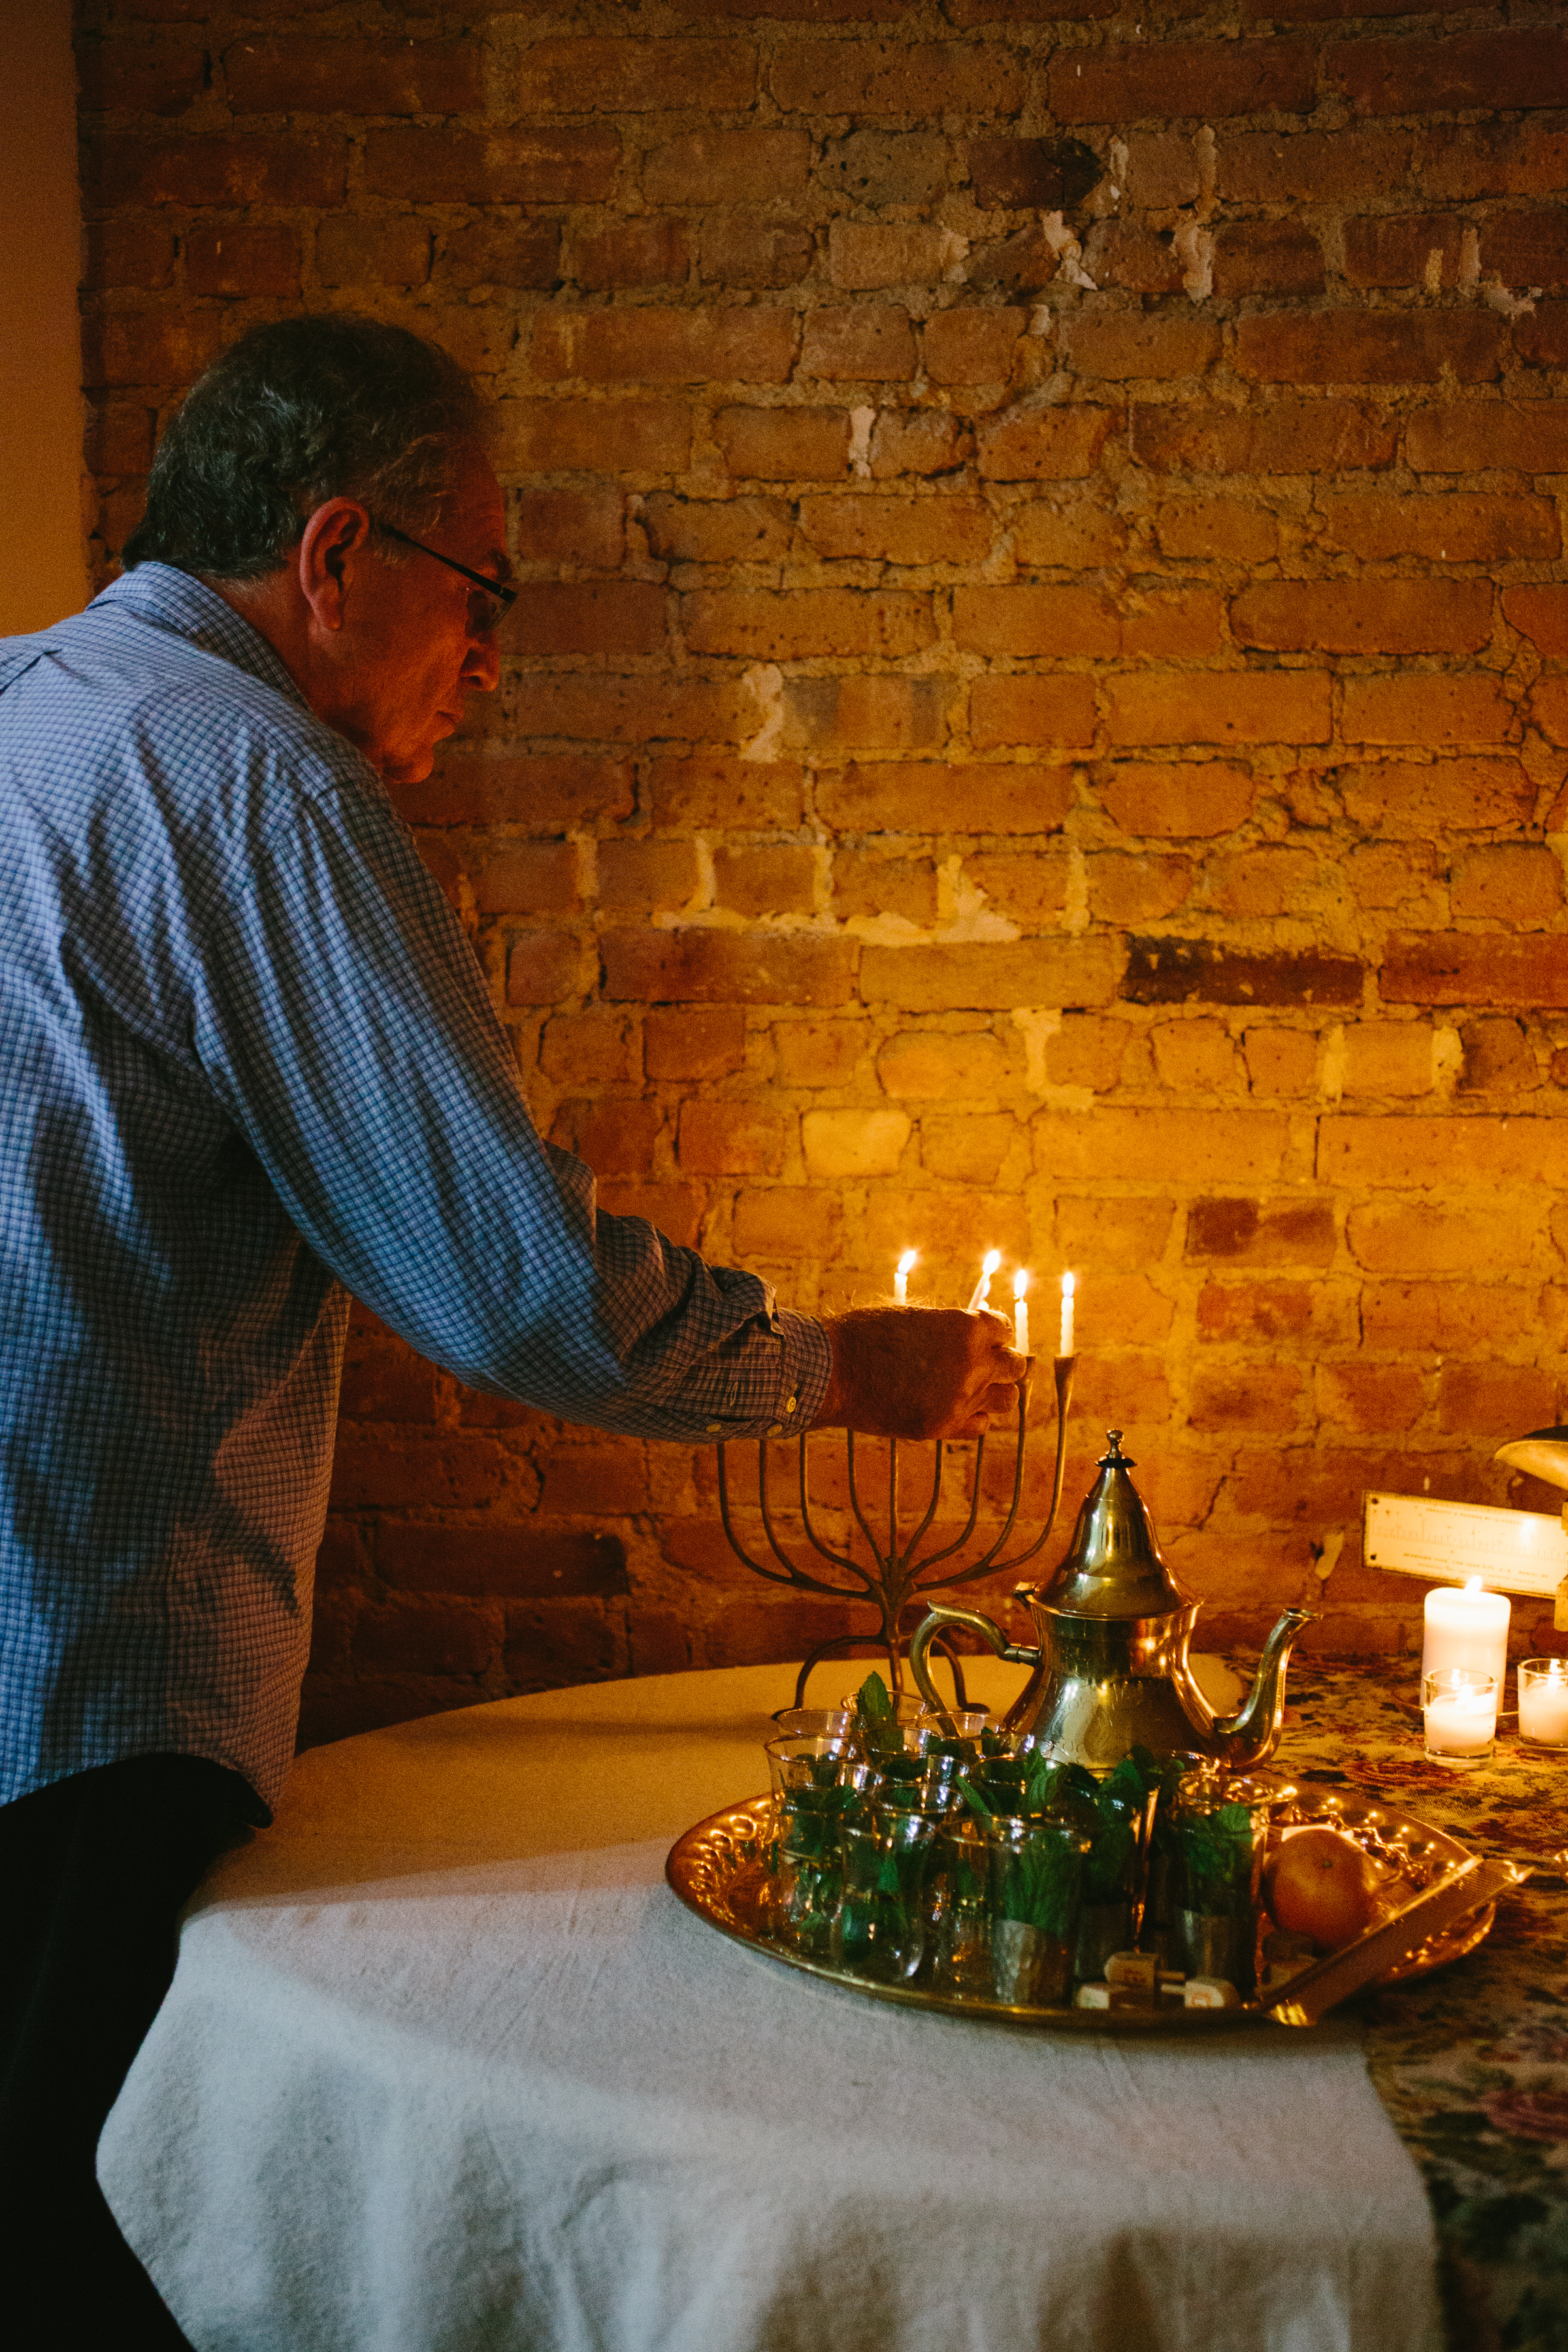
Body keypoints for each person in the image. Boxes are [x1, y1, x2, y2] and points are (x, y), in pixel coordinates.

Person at [0, 314, 1024, 2344]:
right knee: (85, 2245)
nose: (496, 655)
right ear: (338, 550)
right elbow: (510, 1283)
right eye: (486, 595)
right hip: (90, 1678)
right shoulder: (261, 787)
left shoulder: (26, 707)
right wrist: (837, 1367)